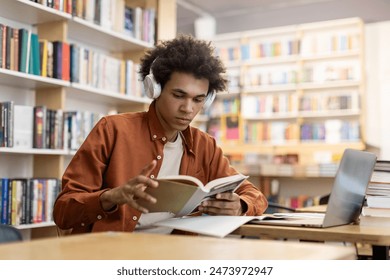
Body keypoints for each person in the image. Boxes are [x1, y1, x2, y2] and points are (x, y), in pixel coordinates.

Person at [53, 34, 268, 234]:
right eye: (178, 95)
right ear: (154, 89)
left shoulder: (205, 146)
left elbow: (254, 195)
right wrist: (110, 197)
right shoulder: (112, 130)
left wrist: (240, 205)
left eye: (198, 99)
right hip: (115, 254)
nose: (188, 108)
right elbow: (63, 212)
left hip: (178, 255)